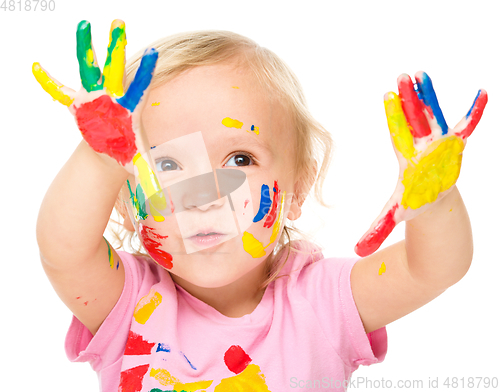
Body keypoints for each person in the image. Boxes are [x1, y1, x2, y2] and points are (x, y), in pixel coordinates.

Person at [34, 19, 487, 391]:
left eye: (240, 159)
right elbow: (64, 250)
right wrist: (101, 154)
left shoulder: (323, 302)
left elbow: (432, 269)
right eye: (168, 164)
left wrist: (436, 200)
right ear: (126, 201)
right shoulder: (128, 301)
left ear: (299, 187)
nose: (205, 196)